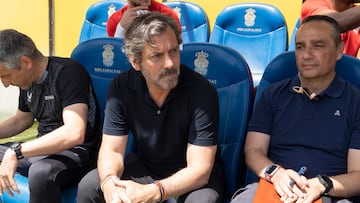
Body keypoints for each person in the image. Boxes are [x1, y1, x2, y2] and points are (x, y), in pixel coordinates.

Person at [77, 12, 225, 203]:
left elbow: (200, 170)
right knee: (90, 186)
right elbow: (112, 150)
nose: (170, 63)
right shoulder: (121, 87)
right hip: (144, 168)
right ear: (135, 62)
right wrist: (109, 182)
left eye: (173, 51)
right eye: (157, 56)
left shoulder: (202, 91)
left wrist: (156, 191)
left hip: (191, 178)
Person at [231, 15, 360, 203]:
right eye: (300, 47)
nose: (306, 55)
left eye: (318, 45)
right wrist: (275, 173)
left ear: (339, 51)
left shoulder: (356, 102)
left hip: (329, 193)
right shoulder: (272, 95)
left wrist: (321, 185)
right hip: (274, 186)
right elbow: (253, 150)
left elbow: (357, 175)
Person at [0, 29, 100, 203]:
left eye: (5, 76)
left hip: (74, 152)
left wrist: (17, 152)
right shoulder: (26, 82)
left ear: (25, 62)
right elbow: (21, 119)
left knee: (40, 172)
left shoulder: (68, 73)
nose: (5, 84)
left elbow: (74, 133)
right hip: (40, 149)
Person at [106, 0, 181, 38]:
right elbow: (117, 60)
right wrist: (121, 30)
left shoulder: (168, 16)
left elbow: (176, 55)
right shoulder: (115, 21)